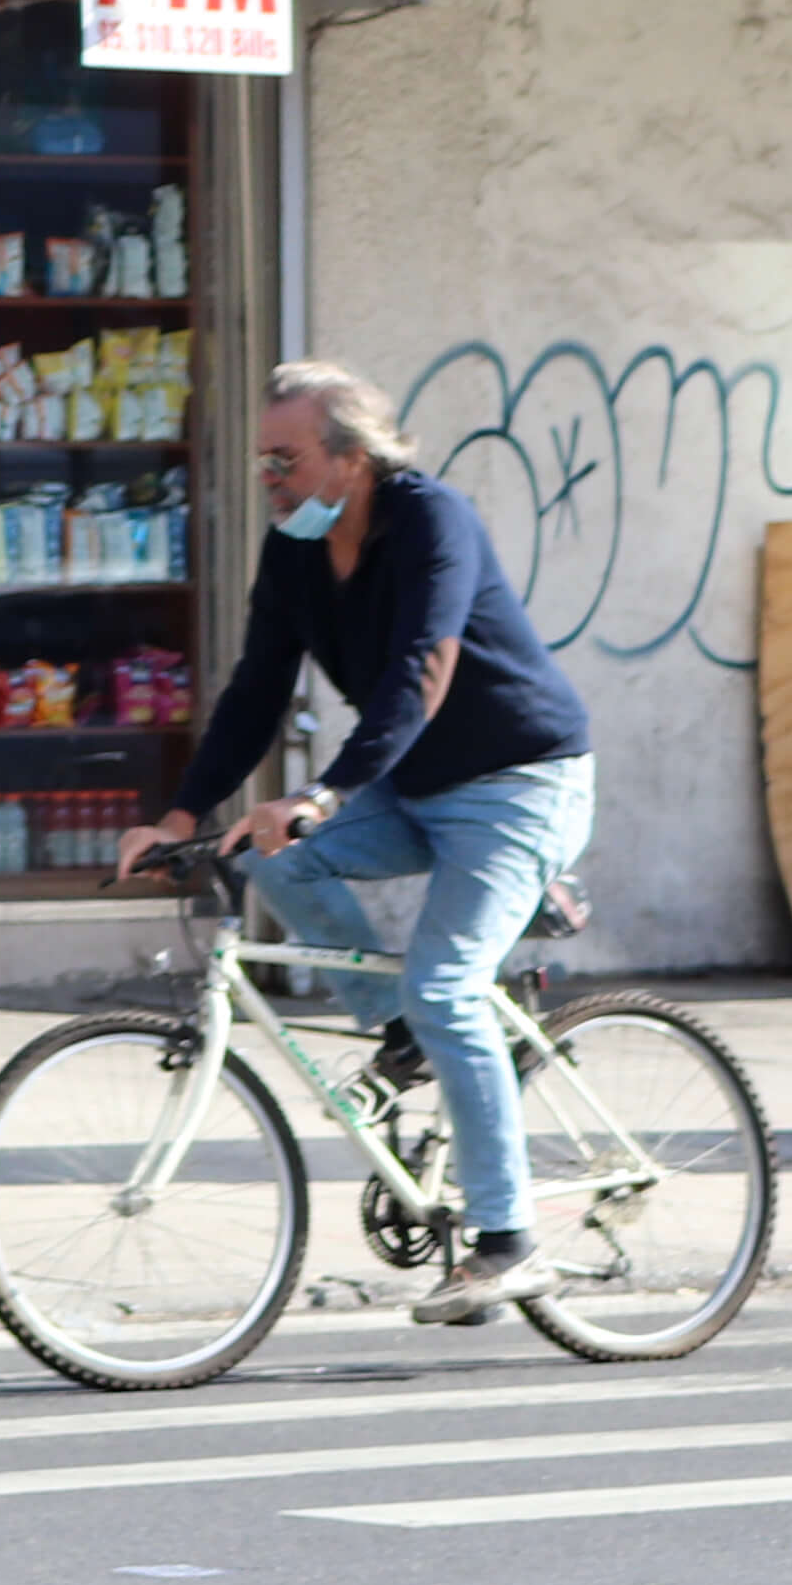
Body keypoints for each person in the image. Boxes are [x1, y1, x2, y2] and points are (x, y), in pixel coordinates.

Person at [128, 357, 598, 1326]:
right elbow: (258, 690)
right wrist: (181, 815)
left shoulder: (433, 521)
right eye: (262, 461)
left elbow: (420, 670)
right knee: (264, 854)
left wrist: (326, 791)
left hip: (519, 783)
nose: (270, 477)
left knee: (447, 984)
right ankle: (402, 1036)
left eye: (285, 458)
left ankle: (507, 1242)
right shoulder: (295, 550)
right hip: (415, 784)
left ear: (353, 458)